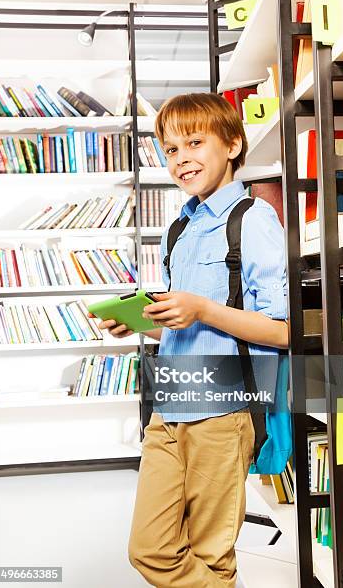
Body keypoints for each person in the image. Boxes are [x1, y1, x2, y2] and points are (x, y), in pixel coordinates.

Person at [92, 93, 288, 587]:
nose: (181, 158)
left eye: (195, 143)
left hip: (225, 410)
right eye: (171, 149)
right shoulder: (178, 228)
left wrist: (201, 308)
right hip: (171, 404)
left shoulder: (254, 220)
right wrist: (141, 322)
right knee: (151, 549)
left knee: (211, 554)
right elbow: (182, 327)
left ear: (233, 144)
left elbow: (283, 331)